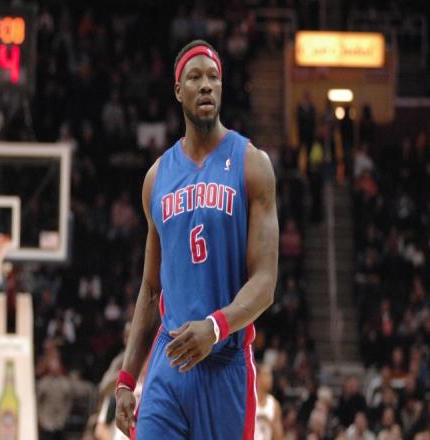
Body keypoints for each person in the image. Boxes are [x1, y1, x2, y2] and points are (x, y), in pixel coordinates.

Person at [115, 40, 279, 439]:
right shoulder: (156, 178)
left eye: (213, 77)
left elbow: (265, 282)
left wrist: (216, 327)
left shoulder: (252, 164)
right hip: (169, 365)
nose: (206, 85)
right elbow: (150, 290)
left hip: (225, 365)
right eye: (195, 77)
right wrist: (126, 378)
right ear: (178, 90)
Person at [255, 364, 283, 440]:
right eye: (266, 375)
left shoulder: (274, 404)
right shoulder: (248, 401)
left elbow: (279, 437)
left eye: (271, 376)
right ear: (257, 377)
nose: (270, 379)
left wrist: (270, 424)